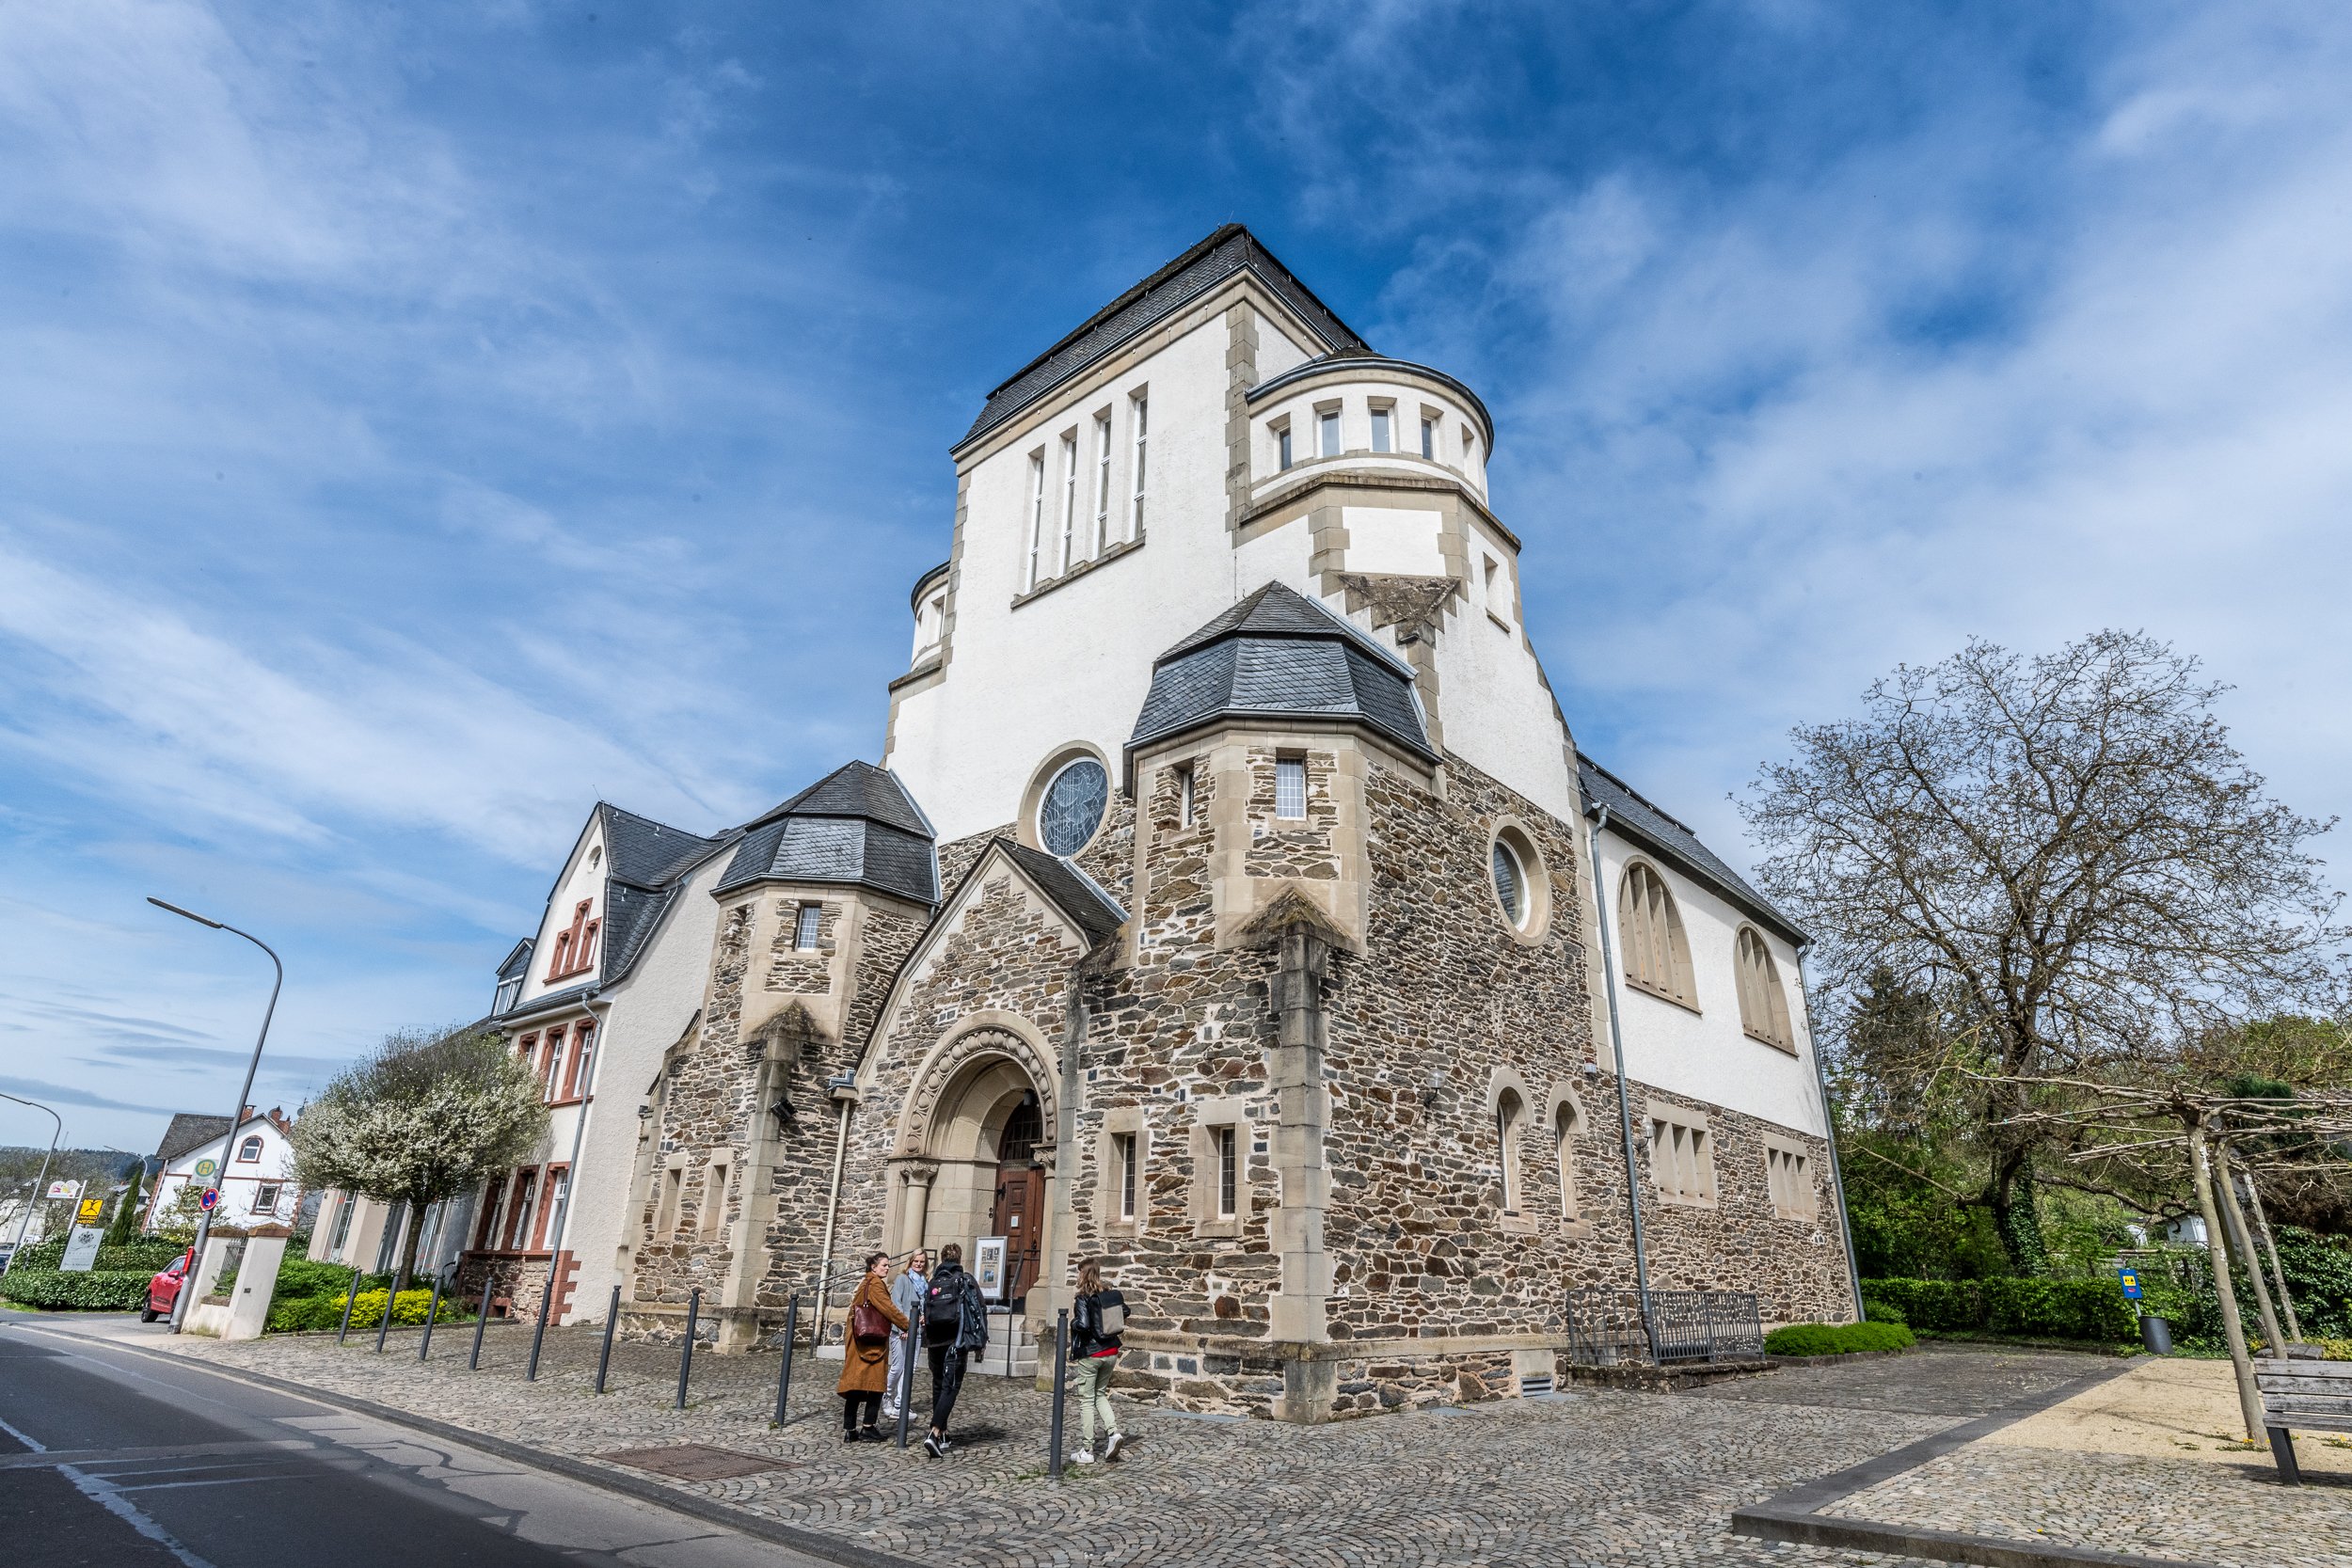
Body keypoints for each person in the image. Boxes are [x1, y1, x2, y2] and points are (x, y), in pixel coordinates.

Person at [920, 1242, 989, 1458]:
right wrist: (980, 1341)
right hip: (955, 1342)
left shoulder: (933, 1282)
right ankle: (935, 1432)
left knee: (939, 1385)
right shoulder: (965, 1280)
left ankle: (943, 1435)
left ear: (942, 1259)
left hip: (934, 1342)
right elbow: (980, 1309)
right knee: (951, 1387)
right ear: (959, 1259)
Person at [836, 1250, 908, 1444]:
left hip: (859, 1340)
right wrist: (908, 1325)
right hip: (869, 1343)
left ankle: (850, 1429)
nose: (887, 1268)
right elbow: (889, 1309)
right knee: (875, 1384)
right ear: (873, 1267)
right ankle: (868, 1426)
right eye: (884, 1265)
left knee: (855, 1385)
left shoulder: (866, 1282)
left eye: (888, 1265)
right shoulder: (875, 1284)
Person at [1067, 1256, 1130, 1464]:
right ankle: (1113, 1434)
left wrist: (1072, 1322)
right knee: (1100, 1395)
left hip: (1091, 1353)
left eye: (1079, 1271)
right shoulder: (1108, 1293)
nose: (1077, 1275)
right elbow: (1125, 1311)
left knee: (1086, 1400)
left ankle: (1087, 1450)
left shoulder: (1083, 1297)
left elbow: (1083, 1324)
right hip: (1111, 1351)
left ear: (1084, 1274)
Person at [879, 1248, 930, 1425]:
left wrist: (925, 1316)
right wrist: (903, 1327)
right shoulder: (902, 1279)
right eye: (916, 1261)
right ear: (910, 1262)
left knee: (911, 1368)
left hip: (916, 1331)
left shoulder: (925, 1282)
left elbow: (925, 1305)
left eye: (922, 1262)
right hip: (900, 1330)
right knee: (898, 1367)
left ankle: (901, 1404)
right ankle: (886, 1395)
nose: (918, 1264)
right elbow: (896, 1305)